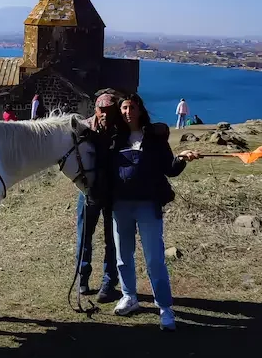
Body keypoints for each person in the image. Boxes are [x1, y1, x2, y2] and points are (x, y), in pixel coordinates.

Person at [109, 93, 198, 331]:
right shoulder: (114, 139)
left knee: (154, 258)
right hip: (120, 205)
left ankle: (165, 308)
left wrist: (181, 158)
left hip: (148, 204)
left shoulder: (155, 139)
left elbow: (169, 169)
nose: (128, 112)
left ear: (140, 110)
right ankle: (129, 297)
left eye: (132, 107)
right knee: (122, 256)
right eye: (124, 108)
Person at [76, 91, 121, 302]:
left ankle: (108, 282)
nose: (106, 114)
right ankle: (82, 279)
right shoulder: (83, 128)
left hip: (114, 191)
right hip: (89, 192)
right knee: (84, 237)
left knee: (112, 239)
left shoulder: (122, 131)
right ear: (96, 109)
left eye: (110, 110)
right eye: (102, 110)